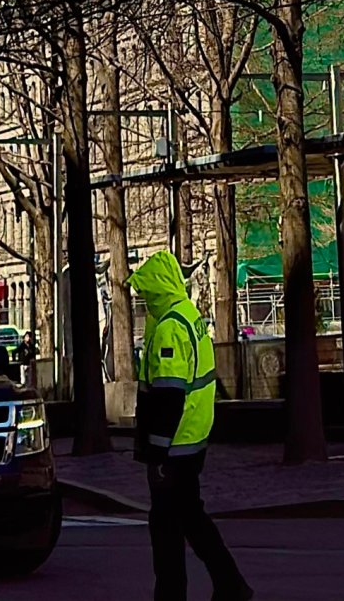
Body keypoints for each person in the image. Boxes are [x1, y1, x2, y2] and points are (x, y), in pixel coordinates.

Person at [131, 249, 252, 601]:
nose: (142, 299)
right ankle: (231, 584)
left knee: (167, 528)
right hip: (193, 438)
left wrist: (156, 452)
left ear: (158, 289)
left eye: (145, 292)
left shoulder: (169, 327)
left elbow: (168, 396)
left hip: (174, 446)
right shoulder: (189, 316)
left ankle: (177, 594)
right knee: (191, 519)